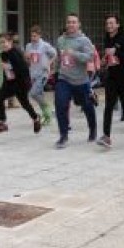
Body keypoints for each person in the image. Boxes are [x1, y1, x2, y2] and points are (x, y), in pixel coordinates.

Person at [54, 13, 97, 149]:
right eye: (69, 22)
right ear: (66, 24)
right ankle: (63, 135)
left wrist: (74, 54)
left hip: (80, 81)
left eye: (74, 22)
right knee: (60, 105)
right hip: (64, 78)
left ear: (78, 25)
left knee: (87, 106)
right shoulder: (60, 40)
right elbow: (60, 58)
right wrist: (54, 70)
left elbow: (90, 57)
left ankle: (93, 128)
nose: (71, 24)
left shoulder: (84, 40)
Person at [97, 14, 124, 149]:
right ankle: (106, 136)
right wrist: (104, 60)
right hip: (111, 77)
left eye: (111, 23)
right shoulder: (107, 38)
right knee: (108, 106)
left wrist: (118, 52)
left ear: (117, 25)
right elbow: (109, 56)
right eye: (107, 23)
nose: (109, 26)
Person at [0, 33, 42, 134]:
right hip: (9, 82)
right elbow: (7, 72)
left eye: (4, 42)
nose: (2, 45)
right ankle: (3, 123)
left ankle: (36, 118)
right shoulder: (3, 54)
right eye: (0, 43)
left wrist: (9, 68)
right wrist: (6, 80)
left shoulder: (15, 53)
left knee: (24, 104)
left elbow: (23, 70)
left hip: (21, 83)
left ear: (10, 42)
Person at [25, 25, 57, 125]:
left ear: (39, 35)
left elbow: (55, 53)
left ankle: (47, 107)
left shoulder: (45, 45)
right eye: (31, 36)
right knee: (39, 94)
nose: (33, 38)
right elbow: (27, 59)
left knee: (33, 93)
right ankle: (47, 117)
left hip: (43, 73)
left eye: (35, 36)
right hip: (33, 73)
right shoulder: (28, 46)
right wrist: (27, 57)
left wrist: (49, 63)